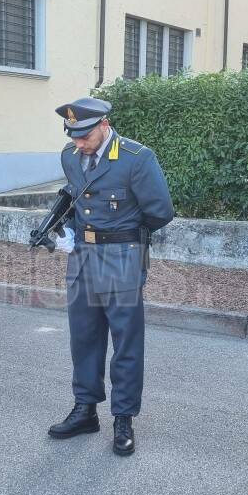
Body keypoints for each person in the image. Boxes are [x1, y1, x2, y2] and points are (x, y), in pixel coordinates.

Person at [45, 97, 174, 456]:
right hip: (82, 258)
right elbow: (75, 199)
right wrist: (68, 230)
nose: (78, 144)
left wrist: (124, 236)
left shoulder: (136, 158)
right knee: (83, 338)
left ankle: (123, 418)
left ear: (104, 126)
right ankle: (85, 409)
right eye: (73, 136)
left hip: (121, 259)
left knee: (126, 344)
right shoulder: (70, 157)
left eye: (84, 136)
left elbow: (160, 212)